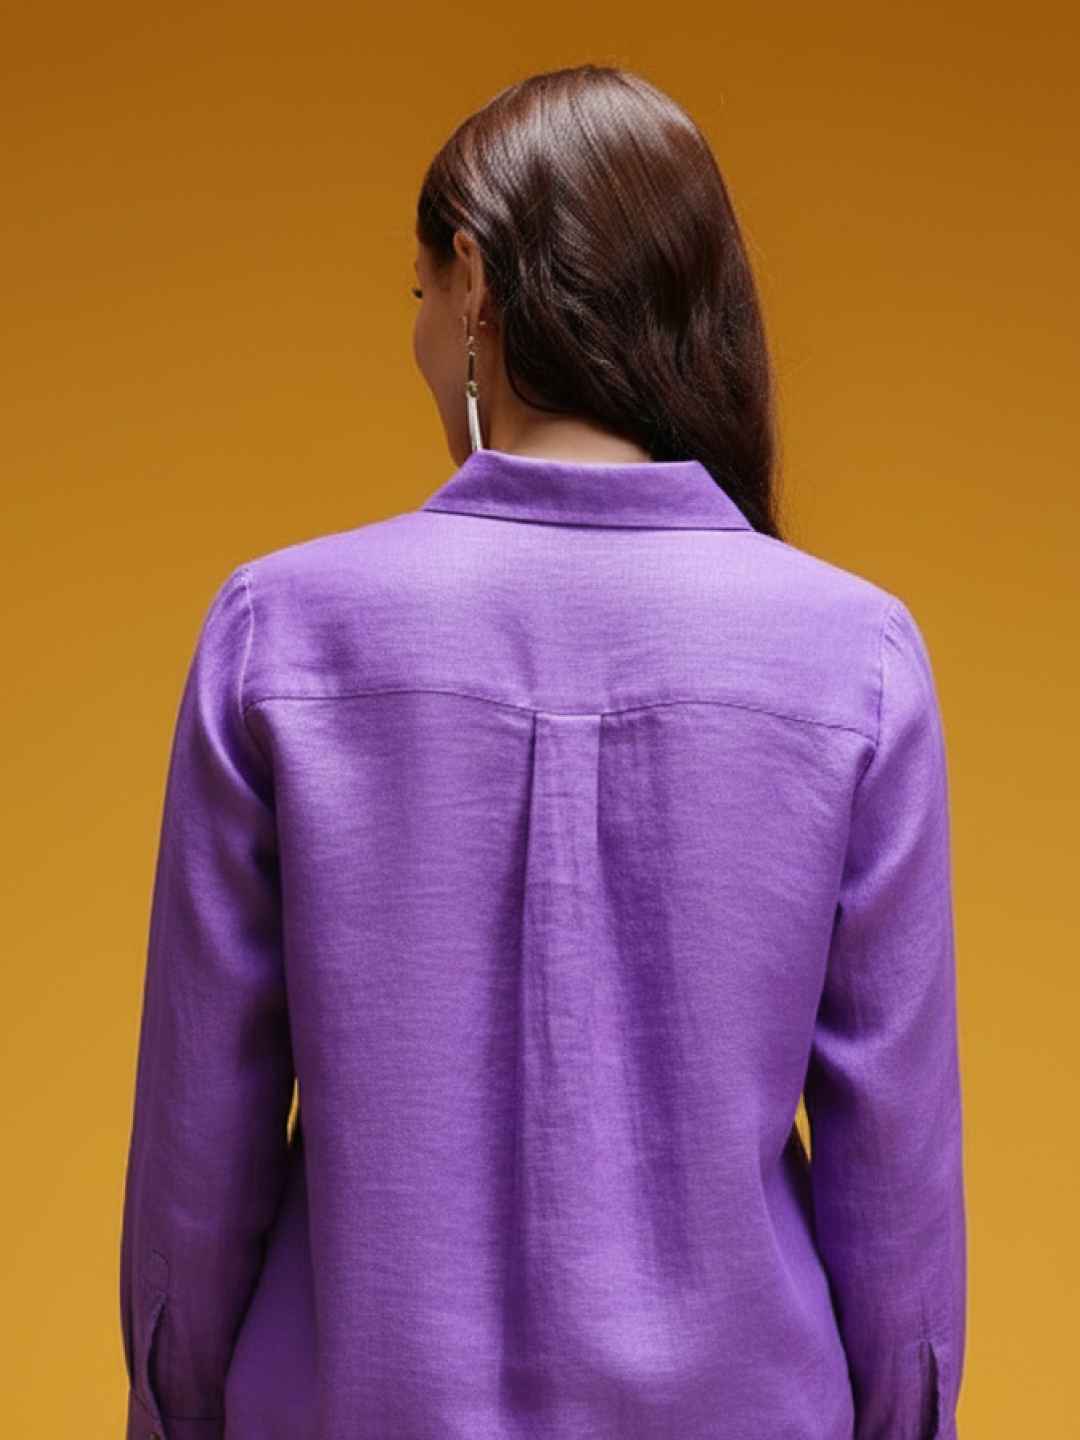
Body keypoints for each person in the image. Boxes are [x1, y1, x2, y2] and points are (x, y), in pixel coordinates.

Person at [120, 65, 965, 1440]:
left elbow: (195, 1172)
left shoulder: (280, 631)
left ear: (473, 280)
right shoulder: (854, 659)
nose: (416, 337)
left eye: (417, 295)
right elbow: (900, 1205)